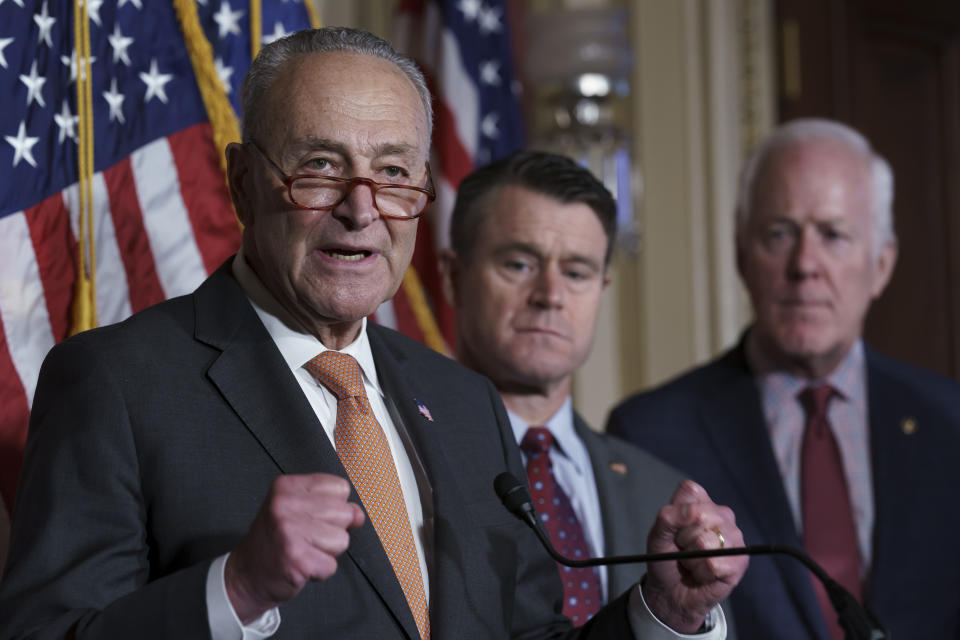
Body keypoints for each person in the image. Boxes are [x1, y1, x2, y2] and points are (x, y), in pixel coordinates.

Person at [0, 28, 746, 640]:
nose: (362, 211)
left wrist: (663, 614)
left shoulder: (463, 402)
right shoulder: (116, 383)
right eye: (320, 167)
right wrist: (235, 590)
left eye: (394, 174)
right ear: (243, 183)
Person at [607, 118, 960, 639]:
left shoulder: (949, 421)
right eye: (780, 233)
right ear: (741, 256)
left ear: (881, 265)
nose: (805, 264)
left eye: (833, 235)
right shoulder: (649, 432)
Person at [439, 150, 739, 635]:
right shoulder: (394, 460)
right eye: (519, 264)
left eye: (576, 272)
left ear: (602, 286)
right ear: (454, 276)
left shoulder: (664, 492)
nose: (550, 294)